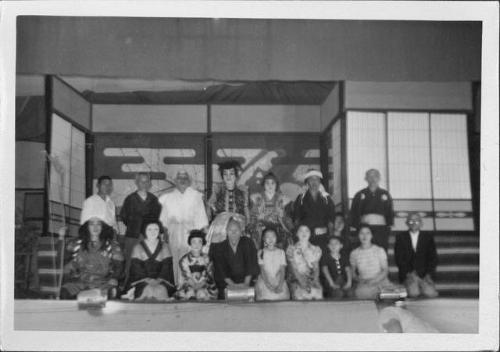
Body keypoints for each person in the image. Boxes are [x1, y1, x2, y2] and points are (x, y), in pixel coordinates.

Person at [159, 171, 209, 284]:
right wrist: (164, 234)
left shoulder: (196, 196)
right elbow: (164, 219)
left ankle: (189, 286)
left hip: (190, 234)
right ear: (175, 181)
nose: (182, 180)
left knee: (189, 259)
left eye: (185, 178)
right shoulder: (168, 198)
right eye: (179, 178)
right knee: (174, 260)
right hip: (173, 233)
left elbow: (202, 219)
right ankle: (176, 286)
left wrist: (201, 238)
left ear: (189, 181)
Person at [60, 217, 124, 299]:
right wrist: (61, 237)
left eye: (98, 224)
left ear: (103, 226)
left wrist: (115, 278)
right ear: (86, 226)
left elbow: (119, 268)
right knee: (64, 292)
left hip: (103, 283)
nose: (95, 227)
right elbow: (62, 259)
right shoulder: (76, 244)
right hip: (79, 283)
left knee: (114, 292)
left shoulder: (112, 246)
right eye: (91, 224)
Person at [119, 172, 162, 285]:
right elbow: (124, 217)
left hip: (149, 237)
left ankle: (146, 287)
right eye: (141, 181)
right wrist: (135, 226)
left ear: (150, 183)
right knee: (130, 262)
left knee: (148, 262)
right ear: (136, 183)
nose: (144, 184)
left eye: (147, 181)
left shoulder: (154, 200)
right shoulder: (130, 199)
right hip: (133, 236)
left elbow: (158, 218)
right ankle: (127, 286)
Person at [126, 220, 175, 301]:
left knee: (160, 290)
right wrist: (148, 280)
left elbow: (167, 267)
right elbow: (136, 268)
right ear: (144, 231)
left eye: (156, 229)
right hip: (141, 280)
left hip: (162, 280)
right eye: (149, 229)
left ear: (159, 231)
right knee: (148, 289)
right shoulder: (137, 247)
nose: (153, 232)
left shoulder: (165, 247)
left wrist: (158, 280)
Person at [211, 217, 259, 299]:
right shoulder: (219, 247)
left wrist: (246, 284)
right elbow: (220, 270)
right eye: (230, 230)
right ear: (226, 231)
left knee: (250, 298)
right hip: (227, 284)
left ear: (241, 232)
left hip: (246, 281)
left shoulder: (248, 243)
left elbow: (251, 264)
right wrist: (232, 285)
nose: (233, 233)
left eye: (236, 230)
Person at [394, 212, 438, 298]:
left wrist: (428, 274)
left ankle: (422, 286)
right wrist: (409, 274)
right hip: (409, 275)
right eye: (411, 221)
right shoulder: (400, 237)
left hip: (424, 275)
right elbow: (399, 259)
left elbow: (433, 258)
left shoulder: (428, 237)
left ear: (421, 223)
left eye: (417, 221)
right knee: (414, 293)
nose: (414, 223)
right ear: (406, 223)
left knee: (431, 293)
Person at [350, 169, 394, 251]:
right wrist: (355, 228)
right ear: (366, 178)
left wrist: (388, 227)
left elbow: (389, 212)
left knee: (381, 249)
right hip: (364, 227)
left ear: (379, 178)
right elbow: (354, 212)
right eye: (370, 176)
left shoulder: (385, 194)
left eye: (375, 176)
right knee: (364, 249)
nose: (373, 178)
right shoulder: (360, 194)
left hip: (381, 228)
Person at [248, 172, 294, 250]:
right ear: (263, 185)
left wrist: (283, 218)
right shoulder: (256, 198)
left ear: (276, 185)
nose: (270, 186)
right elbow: (252, 215)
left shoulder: (283, 199)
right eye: (267, 183)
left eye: (273, 183)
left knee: (286, 236)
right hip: (261, 227)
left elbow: (287, 217)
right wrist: (256, 220)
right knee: (255, 234)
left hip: (278, 226)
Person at [292, 169, 335, 250]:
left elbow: (331, 219)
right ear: (307, 182)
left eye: (317, 179)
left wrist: (331, 235)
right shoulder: (301, 198)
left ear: (320, 182)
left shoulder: (326, 198)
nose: (314, 182)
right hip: (306, 237)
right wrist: (298, 237)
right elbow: (296, 219)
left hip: (323, 236)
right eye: (311, 179)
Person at [349, 224, 393, 300]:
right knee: (361, 294)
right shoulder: (354, 253)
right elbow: (353, 273)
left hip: (381, 280)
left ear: (371, 235)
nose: (364, 236)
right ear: (358, 235)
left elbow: (385, 270)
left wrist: (375, 280)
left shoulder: (379, 250)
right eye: (362, 233)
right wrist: (360, 280)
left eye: (367, 233)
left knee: (390, 294)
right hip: (365, 283)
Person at [177, 230, 218, 300]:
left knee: (201, 294)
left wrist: (199, 286)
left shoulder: (207, 259)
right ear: (190, 243)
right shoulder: (184, 260)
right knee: (190, 293)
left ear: (203, 244)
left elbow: (208, 276)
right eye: (194, 242)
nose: (197, 245)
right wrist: (194, 287)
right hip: (188, 286)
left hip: (205, 286)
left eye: (199, 242)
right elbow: (187, 277)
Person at [286, 225, 323, 300]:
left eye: (307, 230)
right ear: (297, 233)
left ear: (310, 233)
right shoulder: (291, 249)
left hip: (312, 279)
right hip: (296, 279)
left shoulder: (316, 249)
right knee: (300, 297)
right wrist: (302, 282)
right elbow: (293, 269)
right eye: (301, 231)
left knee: (318, 296)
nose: (304, 233)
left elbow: (316, 268)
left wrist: (314, 281)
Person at [255, 227, 290, 301]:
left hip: (278, 279)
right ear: (264, 239)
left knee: (280, 296)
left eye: (273, 236)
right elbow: (262, 271)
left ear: (276, 238)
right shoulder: (261, 252)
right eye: (268, 237)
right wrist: (268, 285)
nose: (270, 239)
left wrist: (280, 285)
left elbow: (282, 270)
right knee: (267, 296)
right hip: (265, 280)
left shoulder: (281, 252)